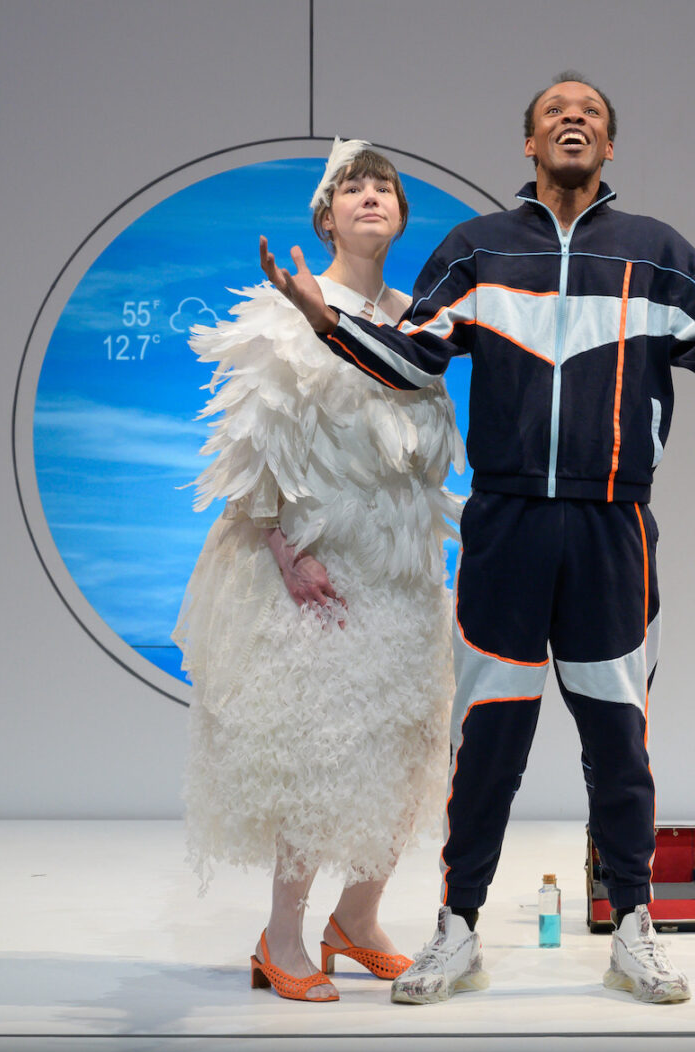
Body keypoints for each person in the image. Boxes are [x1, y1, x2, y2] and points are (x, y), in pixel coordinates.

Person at [259, 72, 695, 1005]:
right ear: (529, 144)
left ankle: (636, 929)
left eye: (588, 112)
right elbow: (416, 357)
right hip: (504, 526)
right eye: (554, 112)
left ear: (611, 145)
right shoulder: (477, 249)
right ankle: (455, 930)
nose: (572, 119)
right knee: (488, 746)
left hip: (612, 529)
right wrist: (324, 317)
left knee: (618, 743)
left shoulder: (657, 255)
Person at [176, 139, 463, 1003]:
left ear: (403, 214)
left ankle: (360, 917)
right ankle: (283, 936)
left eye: (384, 187)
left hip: (403, 566)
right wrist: (284, 553)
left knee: (408, 747)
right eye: (353, 187)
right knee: (315, 750)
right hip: (317, 567)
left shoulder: (422, 319)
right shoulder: (289, 308)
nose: (370, 197)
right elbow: (251, 444)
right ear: (325, 214)